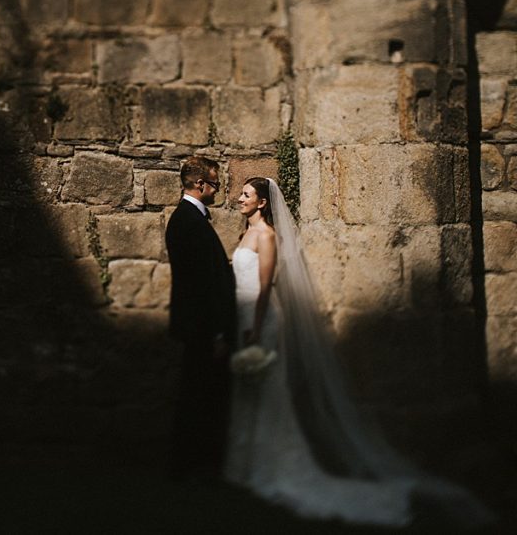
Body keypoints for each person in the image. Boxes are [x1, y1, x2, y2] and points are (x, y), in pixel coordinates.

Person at [224, 177, 495, 527]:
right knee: (249, 392)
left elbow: (264, 288)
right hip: (243, 316)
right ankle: (246, 465)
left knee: (269, 392)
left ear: (262, 202)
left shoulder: (267, 237)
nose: (239, 199)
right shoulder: (245, 234)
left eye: (246, 195)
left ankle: (274, 466)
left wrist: (256, 328)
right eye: (241, 194)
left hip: (260, 320)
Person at [165, 156, 237, 479]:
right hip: (202, 326)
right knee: (199, 395)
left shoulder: (186, 220)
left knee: (197, 392)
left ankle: (192, 462)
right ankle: (192, 464)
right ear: (200, 185)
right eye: (216, 184)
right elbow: (205, 284)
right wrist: (220, 333)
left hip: (196, 324)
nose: (218, 190)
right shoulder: (190, 223)